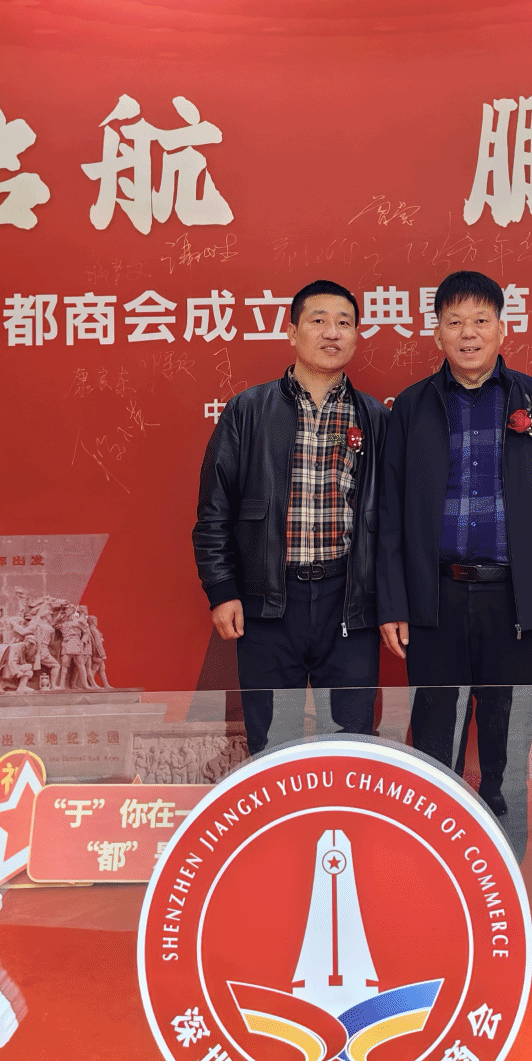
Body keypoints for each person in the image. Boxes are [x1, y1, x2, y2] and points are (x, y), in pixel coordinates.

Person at [378, 270, 532, 818]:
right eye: (454, 322)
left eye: (479, 321)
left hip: (514, 599)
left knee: (508, 733)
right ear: (437, 333)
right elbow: (390, 514)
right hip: (435, 599)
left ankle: (506, 845)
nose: (467, 334)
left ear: (502, 329)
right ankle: (435, 840)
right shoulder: (412, 407)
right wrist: (394, 602)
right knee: (434, 733)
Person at [193, 280, 388, 753]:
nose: (332, 332)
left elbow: (391, 520)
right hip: (268, 604)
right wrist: (222, 590)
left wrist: (388, 602)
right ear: (292, 332)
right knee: (272, 744)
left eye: (344, 323)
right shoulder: (248, 411)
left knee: (352, 743)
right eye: (318, 320)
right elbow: (214, 510)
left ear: (356, 336)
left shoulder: (375, 418)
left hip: (348, 603)